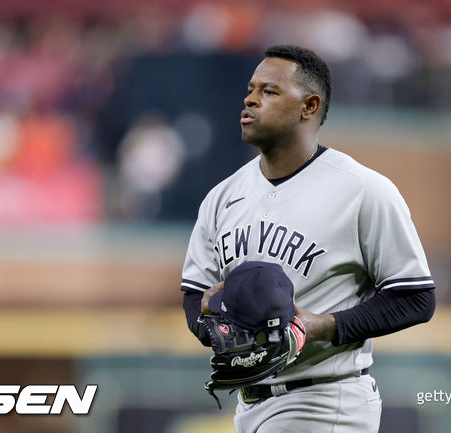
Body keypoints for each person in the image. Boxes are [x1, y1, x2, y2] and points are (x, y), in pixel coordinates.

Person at [181, 45, 436, 433]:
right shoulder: (222, 197)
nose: (250, 98)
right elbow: (193, 294)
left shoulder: (363, 190)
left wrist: (323, 326)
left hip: (325, 400)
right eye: (251, 89)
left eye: (269, 91)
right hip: (249, 405)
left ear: (309, 106)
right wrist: (212, 324)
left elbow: (415, 296)